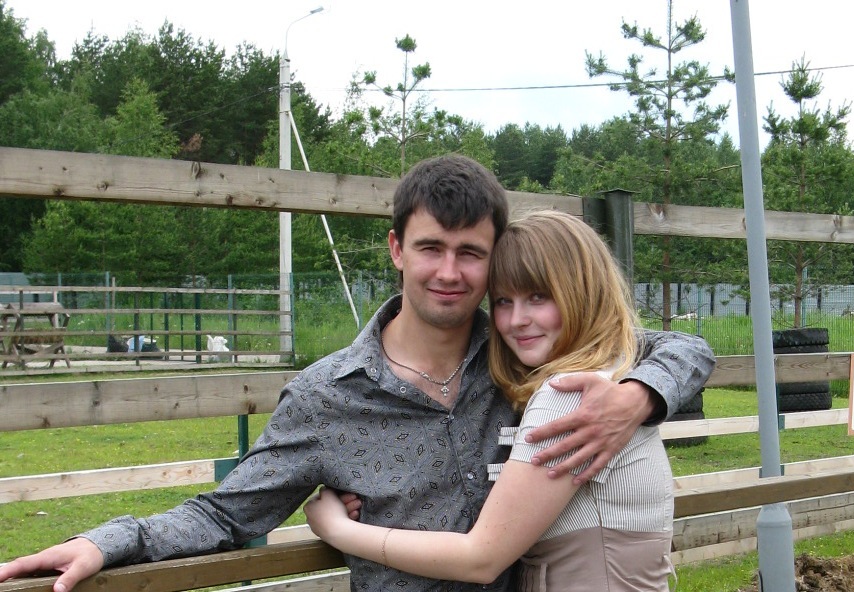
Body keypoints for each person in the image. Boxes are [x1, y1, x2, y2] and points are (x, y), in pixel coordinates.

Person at [0, 155, 713, 592]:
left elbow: (681, 348)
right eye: (431, 248)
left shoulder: (521, 358)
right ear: (396, 249)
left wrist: (638, 396)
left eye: (470, 253)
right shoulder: (325, 399)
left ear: (492, 258)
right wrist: (105, 542)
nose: (449, 271)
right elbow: (225, 513)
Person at [305, 210, 675, 590]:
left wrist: (337, 528)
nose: (516, 320)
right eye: (503, 301)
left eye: (538, 297)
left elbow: (481, 558)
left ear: (583, 292)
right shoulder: (616, 375)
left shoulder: (569, 397)